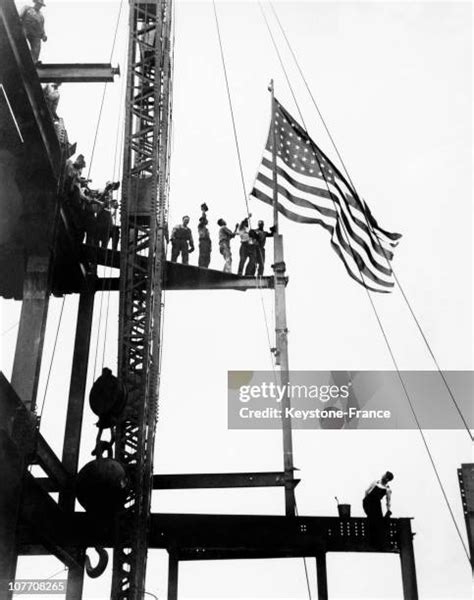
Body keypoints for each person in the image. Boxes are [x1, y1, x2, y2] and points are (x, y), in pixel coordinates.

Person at [363, 471, 394, 545]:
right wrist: (365, 500)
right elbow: (366, 491)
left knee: (378, 521)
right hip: (369, 502)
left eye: (385, 476)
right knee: (373, 519)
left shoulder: (387, 489)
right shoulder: (375, 482)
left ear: (387, 479)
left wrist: (388, 510)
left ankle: (376, 541)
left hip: (376, 504)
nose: (382, 476)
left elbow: (388, 501)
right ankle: (371, 540)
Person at [20, 0, 47, 64]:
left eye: (41, 5)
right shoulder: (27, 8)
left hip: (36, 34)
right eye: (38, 4)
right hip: (26, 30)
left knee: (37, 48)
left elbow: (42, 26)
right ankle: (21, 60)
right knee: (21, 44)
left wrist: (44, 35)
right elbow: (19, 17)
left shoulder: (41, 15)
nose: (39, 6)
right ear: (35, 3)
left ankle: (33, 62)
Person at [197, 204, 211, 268]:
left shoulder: (206, 229)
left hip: (207, 242)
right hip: (203, 241)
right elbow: (203, 218)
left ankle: (205, 267)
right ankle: (201, 267)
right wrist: (203, 211)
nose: (205, 221)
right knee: (203, 255)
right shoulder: (200, 226)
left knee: (207, 256)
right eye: (203, 220)